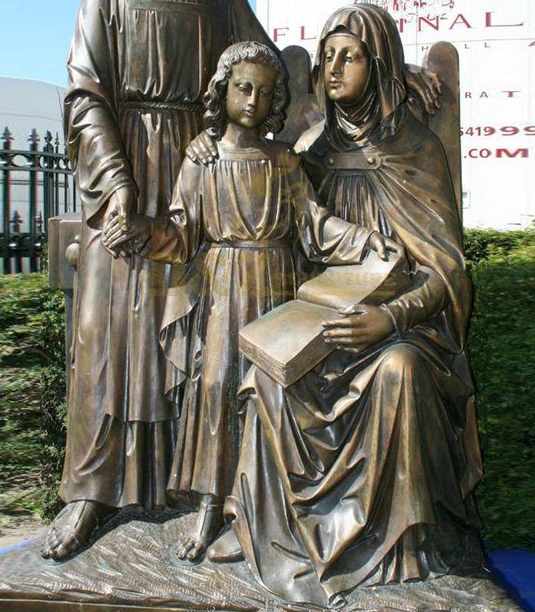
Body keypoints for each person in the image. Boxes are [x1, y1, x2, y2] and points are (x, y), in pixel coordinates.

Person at [208, 4, 486, 606]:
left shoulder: (415, 150)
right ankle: (268, 533)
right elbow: (296, 230)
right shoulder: (310, 152)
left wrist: (390, 319)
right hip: (326, 326)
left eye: (350, 57)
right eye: (328, 56)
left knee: (400, 372)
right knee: (267, 378)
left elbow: (446, 270)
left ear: (377, 64)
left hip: (404, 329)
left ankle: (397, 553)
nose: (333, 69)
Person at [42, 0, 275, 561]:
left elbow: (276, 80)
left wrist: (388, 83)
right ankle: (91, 492)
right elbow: (86, 95)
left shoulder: (228, 4)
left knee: (198, 341)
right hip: (128, 175)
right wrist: (115, 186)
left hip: (205, 187)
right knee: (109, 339)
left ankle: (189, 493)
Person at [101, 41, 400, 562]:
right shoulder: (203, 159)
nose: (253, 101)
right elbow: (182, 230)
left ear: (276, 100)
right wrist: (143, 234)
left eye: (265, 92)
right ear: (223, 91)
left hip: (276, 284)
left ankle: (258, 511)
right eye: (243, 88)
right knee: (216, 389)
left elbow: (316, 225)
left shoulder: (285, 162)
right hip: (222, 286)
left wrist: (363, 240)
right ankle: (209, 507)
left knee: (268, 393)